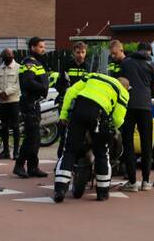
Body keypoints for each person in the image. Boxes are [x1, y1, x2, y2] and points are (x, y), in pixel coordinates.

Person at [53, 73, 130, 203]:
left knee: (69, 151)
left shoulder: (93, 76)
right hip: (99, 117)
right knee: (102, 154)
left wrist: (64, 115)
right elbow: (118, 118)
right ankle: (102, 192)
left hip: (80, 110)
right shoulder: (122, 91)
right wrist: (111, 128)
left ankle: (60, 189)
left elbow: (71, 92)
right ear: (127, 88)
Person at [119, 42, 154, 191]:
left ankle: (132, 181)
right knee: (146, 143)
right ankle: (146, 181)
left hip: (128, 106)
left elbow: (121, 83)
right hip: (145, 107)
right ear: (148, 51)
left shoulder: (126, 63)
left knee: (128, 143)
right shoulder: (152, 65)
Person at [14, 37, 50, 179]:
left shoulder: (36, 62)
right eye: (41, 47)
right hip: (29, 103)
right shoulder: (29, 62)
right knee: (32, 137)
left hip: (33, 103)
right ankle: (19, 165)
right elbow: (28, 82)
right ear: (32, 47)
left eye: (43, 47)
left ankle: (32, 167)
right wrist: (43, 88)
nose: (43, 49)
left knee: (35, 137)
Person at [55, 41, 92, 160]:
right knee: (64, 132)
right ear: (73, 53)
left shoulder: (89, 66)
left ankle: (79, 159)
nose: (80, 55)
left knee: (82, 133)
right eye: (78, 52)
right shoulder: (66, 65)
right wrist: (66, 91)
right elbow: (59, 84)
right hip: (68, 102)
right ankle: (61, 159)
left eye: (83, 52)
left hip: (83, 102)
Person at [0, 48, 21, 160]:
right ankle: (5, 151)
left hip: (14, 101)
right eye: (6, 55)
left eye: (10, 54)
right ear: (2, 57)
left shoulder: (19, 68)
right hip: (2, 102)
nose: (8, 56)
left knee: (15, 127)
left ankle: (16, 152)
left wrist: (7, 92)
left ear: (13, 55)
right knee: (3, 127)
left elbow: (19, 84)